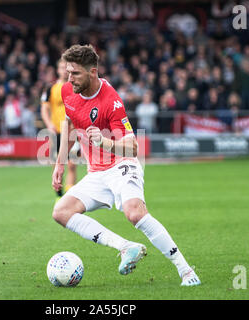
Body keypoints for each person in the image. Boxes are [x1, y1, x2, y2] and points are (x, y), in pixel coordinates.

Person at [51, 44, 200, 286]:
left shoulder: (111, 101)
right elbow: (69, 122)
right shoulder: (68, 91)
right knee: (61, 211)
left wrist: (105, 142)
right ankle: (125, 247)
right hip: (96, 173)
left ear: (92, 72)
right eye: (68, 72)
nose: (69, 78)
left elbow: (133, 148)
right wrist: (59, 163)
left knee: (135, 213)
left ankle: (186, 271)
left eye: (75, 73)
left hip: (122, 165)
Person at [41, 59, 77, 200]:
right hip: (57, 130)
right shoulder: (51, 89)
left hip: (72, 129)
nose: (63, 70)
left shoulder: (75, 86)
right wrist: (49, 124)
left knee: (72, 164)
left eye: (66, 68)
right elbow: (44, 108)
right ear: (58, 70)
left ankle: (69, 195)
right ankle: (58, 194)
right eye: (61, 67)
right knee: (57, 163)